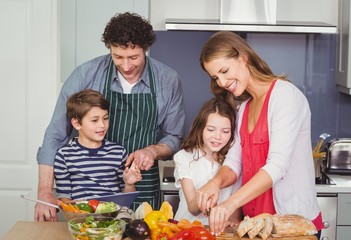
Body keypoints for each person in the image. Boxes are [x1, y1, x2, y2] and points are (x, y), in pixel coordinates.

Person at [35, 12, 185, 221]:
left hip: (143, 188)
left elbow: (174, 136)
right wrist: (44, 191)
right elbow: (55, 134)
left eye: (134, 57)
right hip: (91, 197)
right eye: (117, 57)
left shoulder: (167, 80)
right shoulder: (85, 74)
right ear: (110, 49)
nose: (125, 66)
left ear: (145, 49)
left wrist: (152, 151)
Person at [195, 31, 324, 237]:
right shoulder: (243, 108)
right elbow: (234, 161)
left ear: (243, 57)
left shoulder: (285, 96)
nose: (221, 82)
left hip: (290, 230)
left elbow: (278, 165)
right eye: (215, 77)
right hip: (255, 227)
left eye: (224, 70)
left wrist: (230, 203)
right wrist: (215, 182)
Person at [54, 89, 141, 202]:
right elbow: (64, 198)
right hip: (81, 217)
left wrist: (129, 184)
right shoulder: (64, 156)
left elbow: (125, 200)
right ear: (77, 123)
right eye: (94, 120)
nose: (102, 125)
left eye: (105, 118)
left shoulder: (118, 152)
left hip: (113, 216)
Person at [173, 98, 240, 225]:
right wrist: (208, 200)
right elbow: (192, 208)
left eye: (225, 131)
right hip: (187, 229)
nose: (218, 136)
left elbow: (236, 196)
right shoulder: (183, 157)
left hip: (221, 230)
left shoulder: (233, 161)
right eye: (211, 129)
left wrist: (234, 219)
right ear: (200, 128)